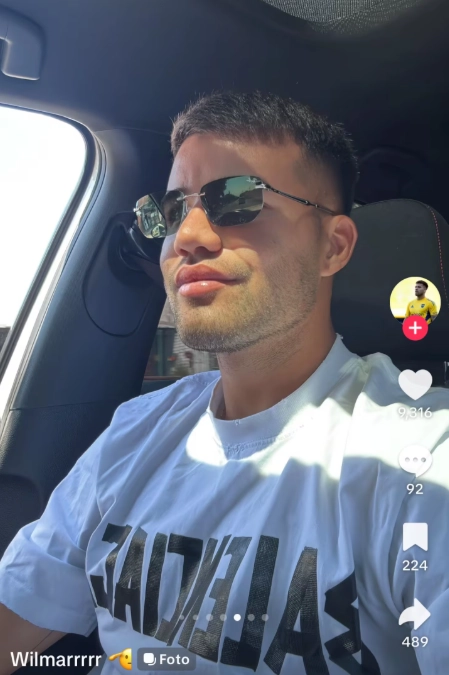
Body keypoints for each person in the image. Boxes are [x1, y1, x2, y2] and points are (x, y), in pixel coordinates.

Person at [0, 91, 448, 675]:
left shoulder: (418, 457)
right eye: (171, 210)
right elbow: (15, 622)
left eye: (236, 199)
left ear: (333, 246)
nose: (188, 235)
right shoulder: (134, 432)